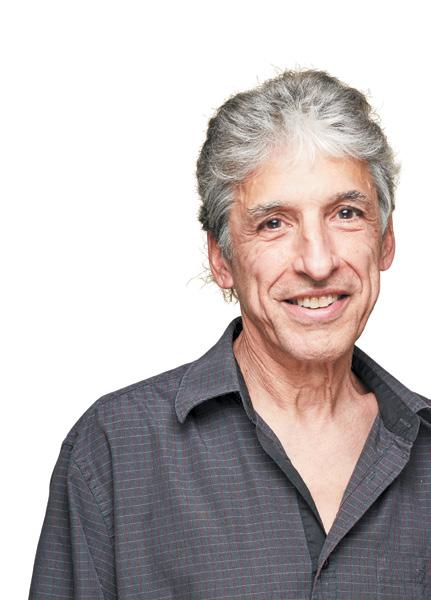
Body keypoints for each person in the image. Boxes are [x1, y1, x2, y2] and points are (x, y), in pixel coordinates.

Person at [29, 70, 431, 600]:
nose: (317, 262)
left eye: (346, 213)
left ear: (385, 241)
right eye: (274, 223)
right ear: (222, 259)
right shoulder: (116, 449)